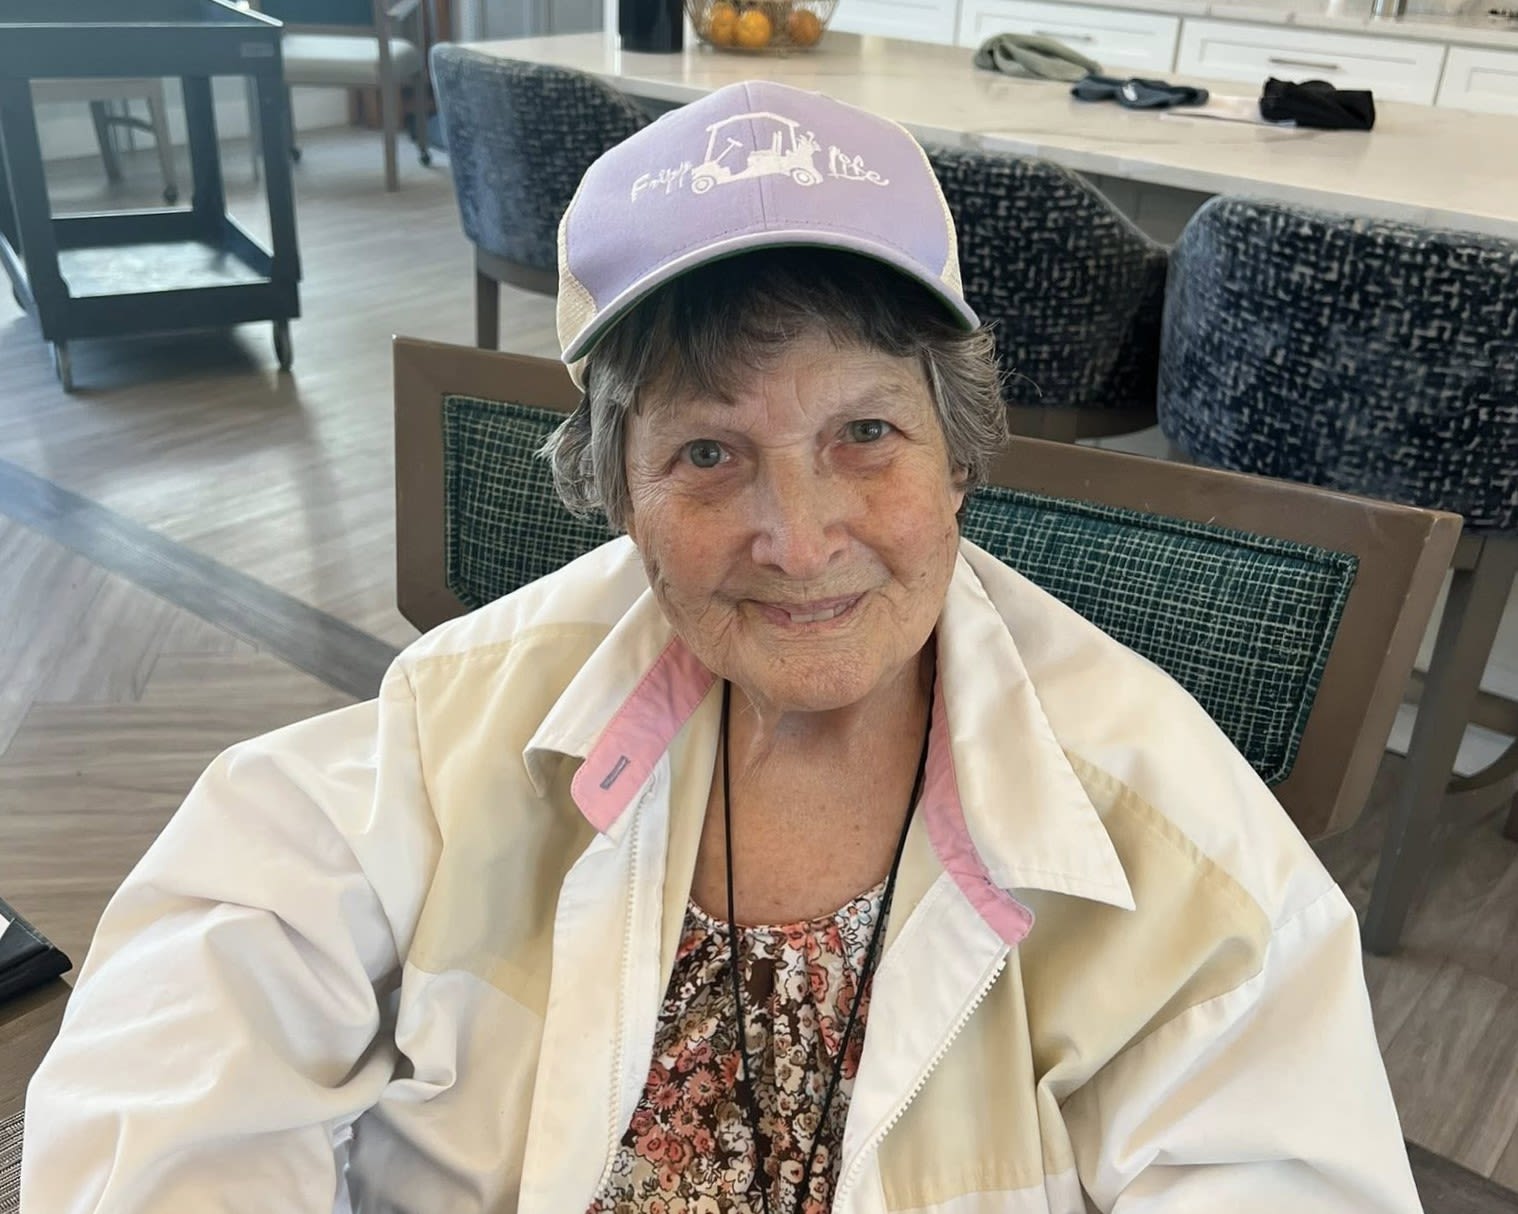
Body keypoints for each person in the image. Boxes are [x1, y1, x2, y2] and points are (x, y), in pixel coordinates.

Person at [24, 80, 1422, 1214]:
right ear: (617, 493)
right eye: (706, 452)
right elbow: (211, 967)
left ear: (958, 457)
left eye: (864, 432)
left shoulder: (1179, 846)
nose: (798, 540)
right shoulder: (471, 709)